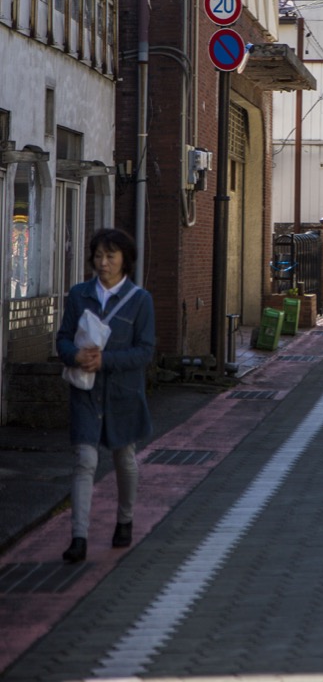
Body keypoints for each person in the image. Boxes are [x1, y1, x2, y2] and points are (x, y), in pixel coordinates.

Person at [57, 228, 156, 564]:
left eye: (110, 256)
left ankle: (125, 519)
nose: (103, 263)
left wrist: (107, 360)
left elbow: (145, 351)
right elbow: (63, 339)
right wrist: (74, 356)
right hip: (85, 391)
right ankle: (79, 536)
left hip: (122, 394)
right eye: (98, 256)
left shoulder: (140, 300)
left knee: (124, 459)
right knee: (84, 460)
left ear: (124, 260)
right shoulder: (79, 295)